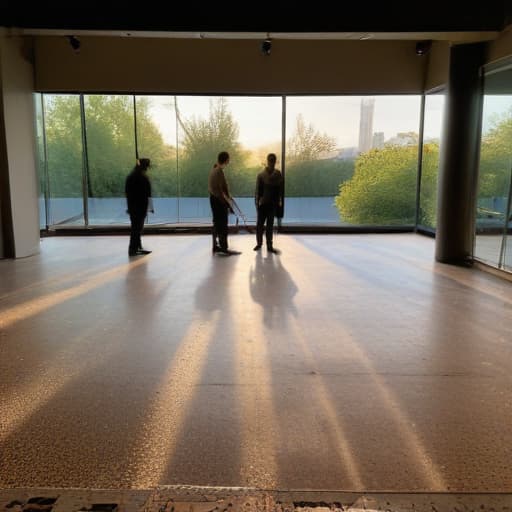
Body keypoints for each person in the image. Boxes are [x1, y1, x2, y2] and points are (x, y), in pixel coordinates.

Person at [208, 151, 240, 255]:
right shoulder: (219, 171)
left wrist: (228, 196)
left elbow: (223, 186)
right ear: (226, 160)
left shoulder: (215, 169)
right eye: (228, 159)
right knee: (223, 223)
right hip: (217, 200)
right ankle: (224, 248)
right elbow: (220, 189)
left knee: (216, 223)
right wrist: (227, 203)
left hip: (213, 198)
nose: (229, 161)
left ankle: (215, 246)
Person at [254, 153, 284, 253]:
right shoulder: (261, 175)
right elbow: (257, 191)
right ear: (268, 161)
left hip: (271, 204)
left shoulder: (277, 174)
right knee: (260, 225)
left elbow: (280, 190)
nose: (271, 162)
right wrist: (257, 203)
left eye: (273, 161)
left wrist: (279, 201)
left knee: (269, 225)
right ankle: (260, 243)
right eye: (270, 160)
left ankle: (268, 245)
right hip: (263, 204)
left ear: (274, 162)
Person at [125, 157, 153, 257]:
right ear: (145, 167)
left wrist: (129, 207)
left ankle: (137, 247)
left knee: (135, 228)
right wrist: (151, 207)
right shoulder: (144, 178)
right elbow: (148, 194)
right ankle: (133, 249)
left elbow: (127, 194)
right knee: (137, 228)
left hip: (133, 207)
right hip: (141, 207)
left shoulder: (130, 177)